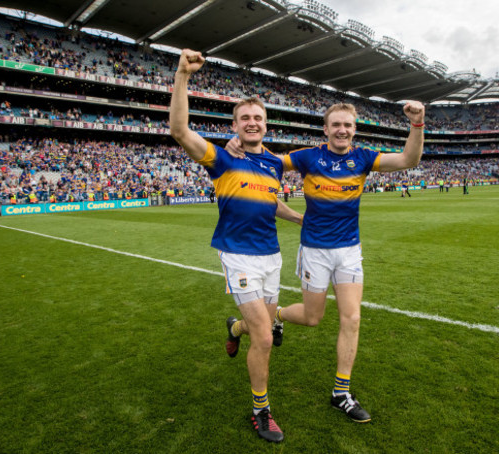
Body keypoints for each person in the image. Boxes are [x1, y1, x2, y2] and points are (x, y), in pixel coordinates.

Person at [227, 100, 426, 424]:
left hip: (348, 250)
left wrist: (417, 124)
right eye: (336, 125)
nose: (342, 130)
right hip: (315, 251)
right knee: (312, 317)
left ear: (354, 129)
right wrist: (236, 146)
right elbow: (266, 163)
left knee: (352, 318)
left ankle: (341, 392)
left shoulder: (363, 158)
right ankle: (276, 315)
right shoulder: (308, 157)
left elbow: (408, 159)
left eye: (348, 125)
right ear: (326, 129)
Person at [169, 48, 302, 444]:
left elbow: (269, 200)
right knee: (265, 337)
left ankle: (234, 327)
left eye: (258, 117)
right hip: (238, 255)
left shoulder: (275, 164)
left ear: (265, 124)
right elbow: (179, 131)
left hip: (271, 255)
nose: (252, 122)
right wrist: (182, 77)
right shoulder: (222, 160)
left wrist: (298, 218)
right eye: (245, 118)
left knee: (264, 320)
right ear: (236, 124)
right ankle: (261, 411)